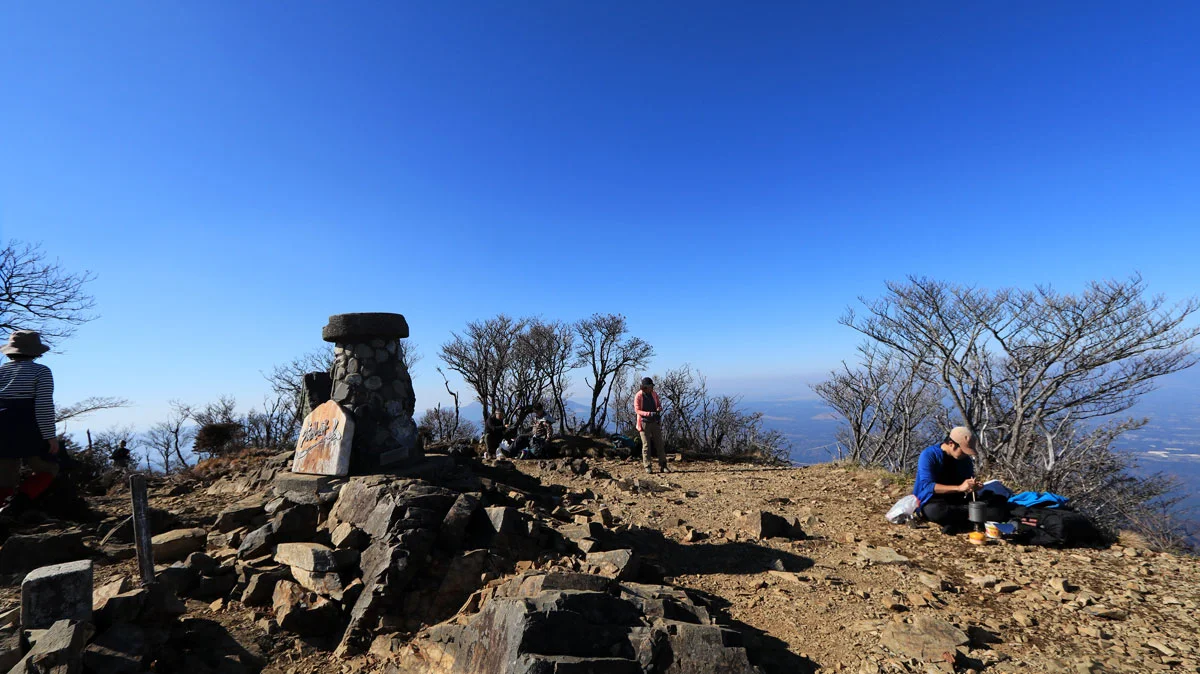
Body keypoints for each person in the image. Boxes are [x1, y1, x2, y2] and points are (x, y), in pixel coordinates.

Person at [0, 331, 61, 516]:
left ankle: (4, 514)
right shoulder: (41, 371)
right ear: (36, 352)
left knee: (5, 479)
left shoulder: (1, 371)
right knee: (49, 468)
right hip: (28, 427)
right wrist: (50, 436)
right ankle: (17, 505)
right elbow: (43, 406)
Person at [913, 426, 979, 533]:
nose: (966, 455)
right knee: (935, 511)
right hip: (933, 501)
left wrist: (972, 487)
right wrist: (959, 488)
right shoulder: (929, 455)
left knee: (991, 503)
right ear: (951, 444)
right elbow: (928, 486)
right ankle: (968, 517)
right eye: (963, 451)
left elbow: (967, 481)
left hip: (957, 501)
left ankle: (961, 519)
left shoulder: (965, 460)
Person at [634, 377, 668, 474]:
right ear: (645, 387)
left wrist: (658, 408)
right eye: (650, 386)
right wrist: (649, 414)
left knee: (659, 444)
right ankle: (647, 466)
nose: (651, 388)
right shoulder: (638, 396)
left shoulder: (654, 394)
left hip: (654, 422)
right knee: (646, 445)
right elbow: (637, 410)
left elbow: (658, 404)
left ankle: (663, 465)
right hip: (644, 422)